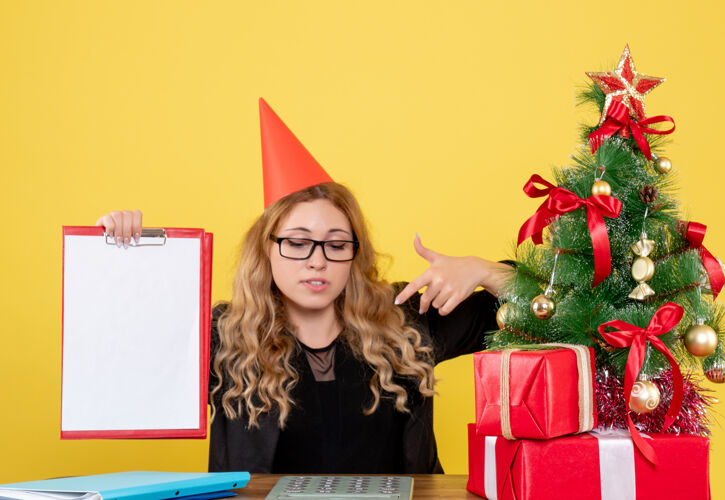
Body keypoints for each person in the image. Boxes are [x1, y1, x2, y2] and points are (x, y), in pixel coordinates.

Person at [95, 99, 511, 474]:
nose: (318, 259)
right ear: (267, 249)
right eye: (297, 242)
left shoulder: (404, 318)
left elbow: (553, 316)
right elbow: (119, 365)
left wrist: (486, 270)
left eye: (336, 243)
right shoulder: (223, 336)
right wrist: (116, 257)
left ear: (355, 253)